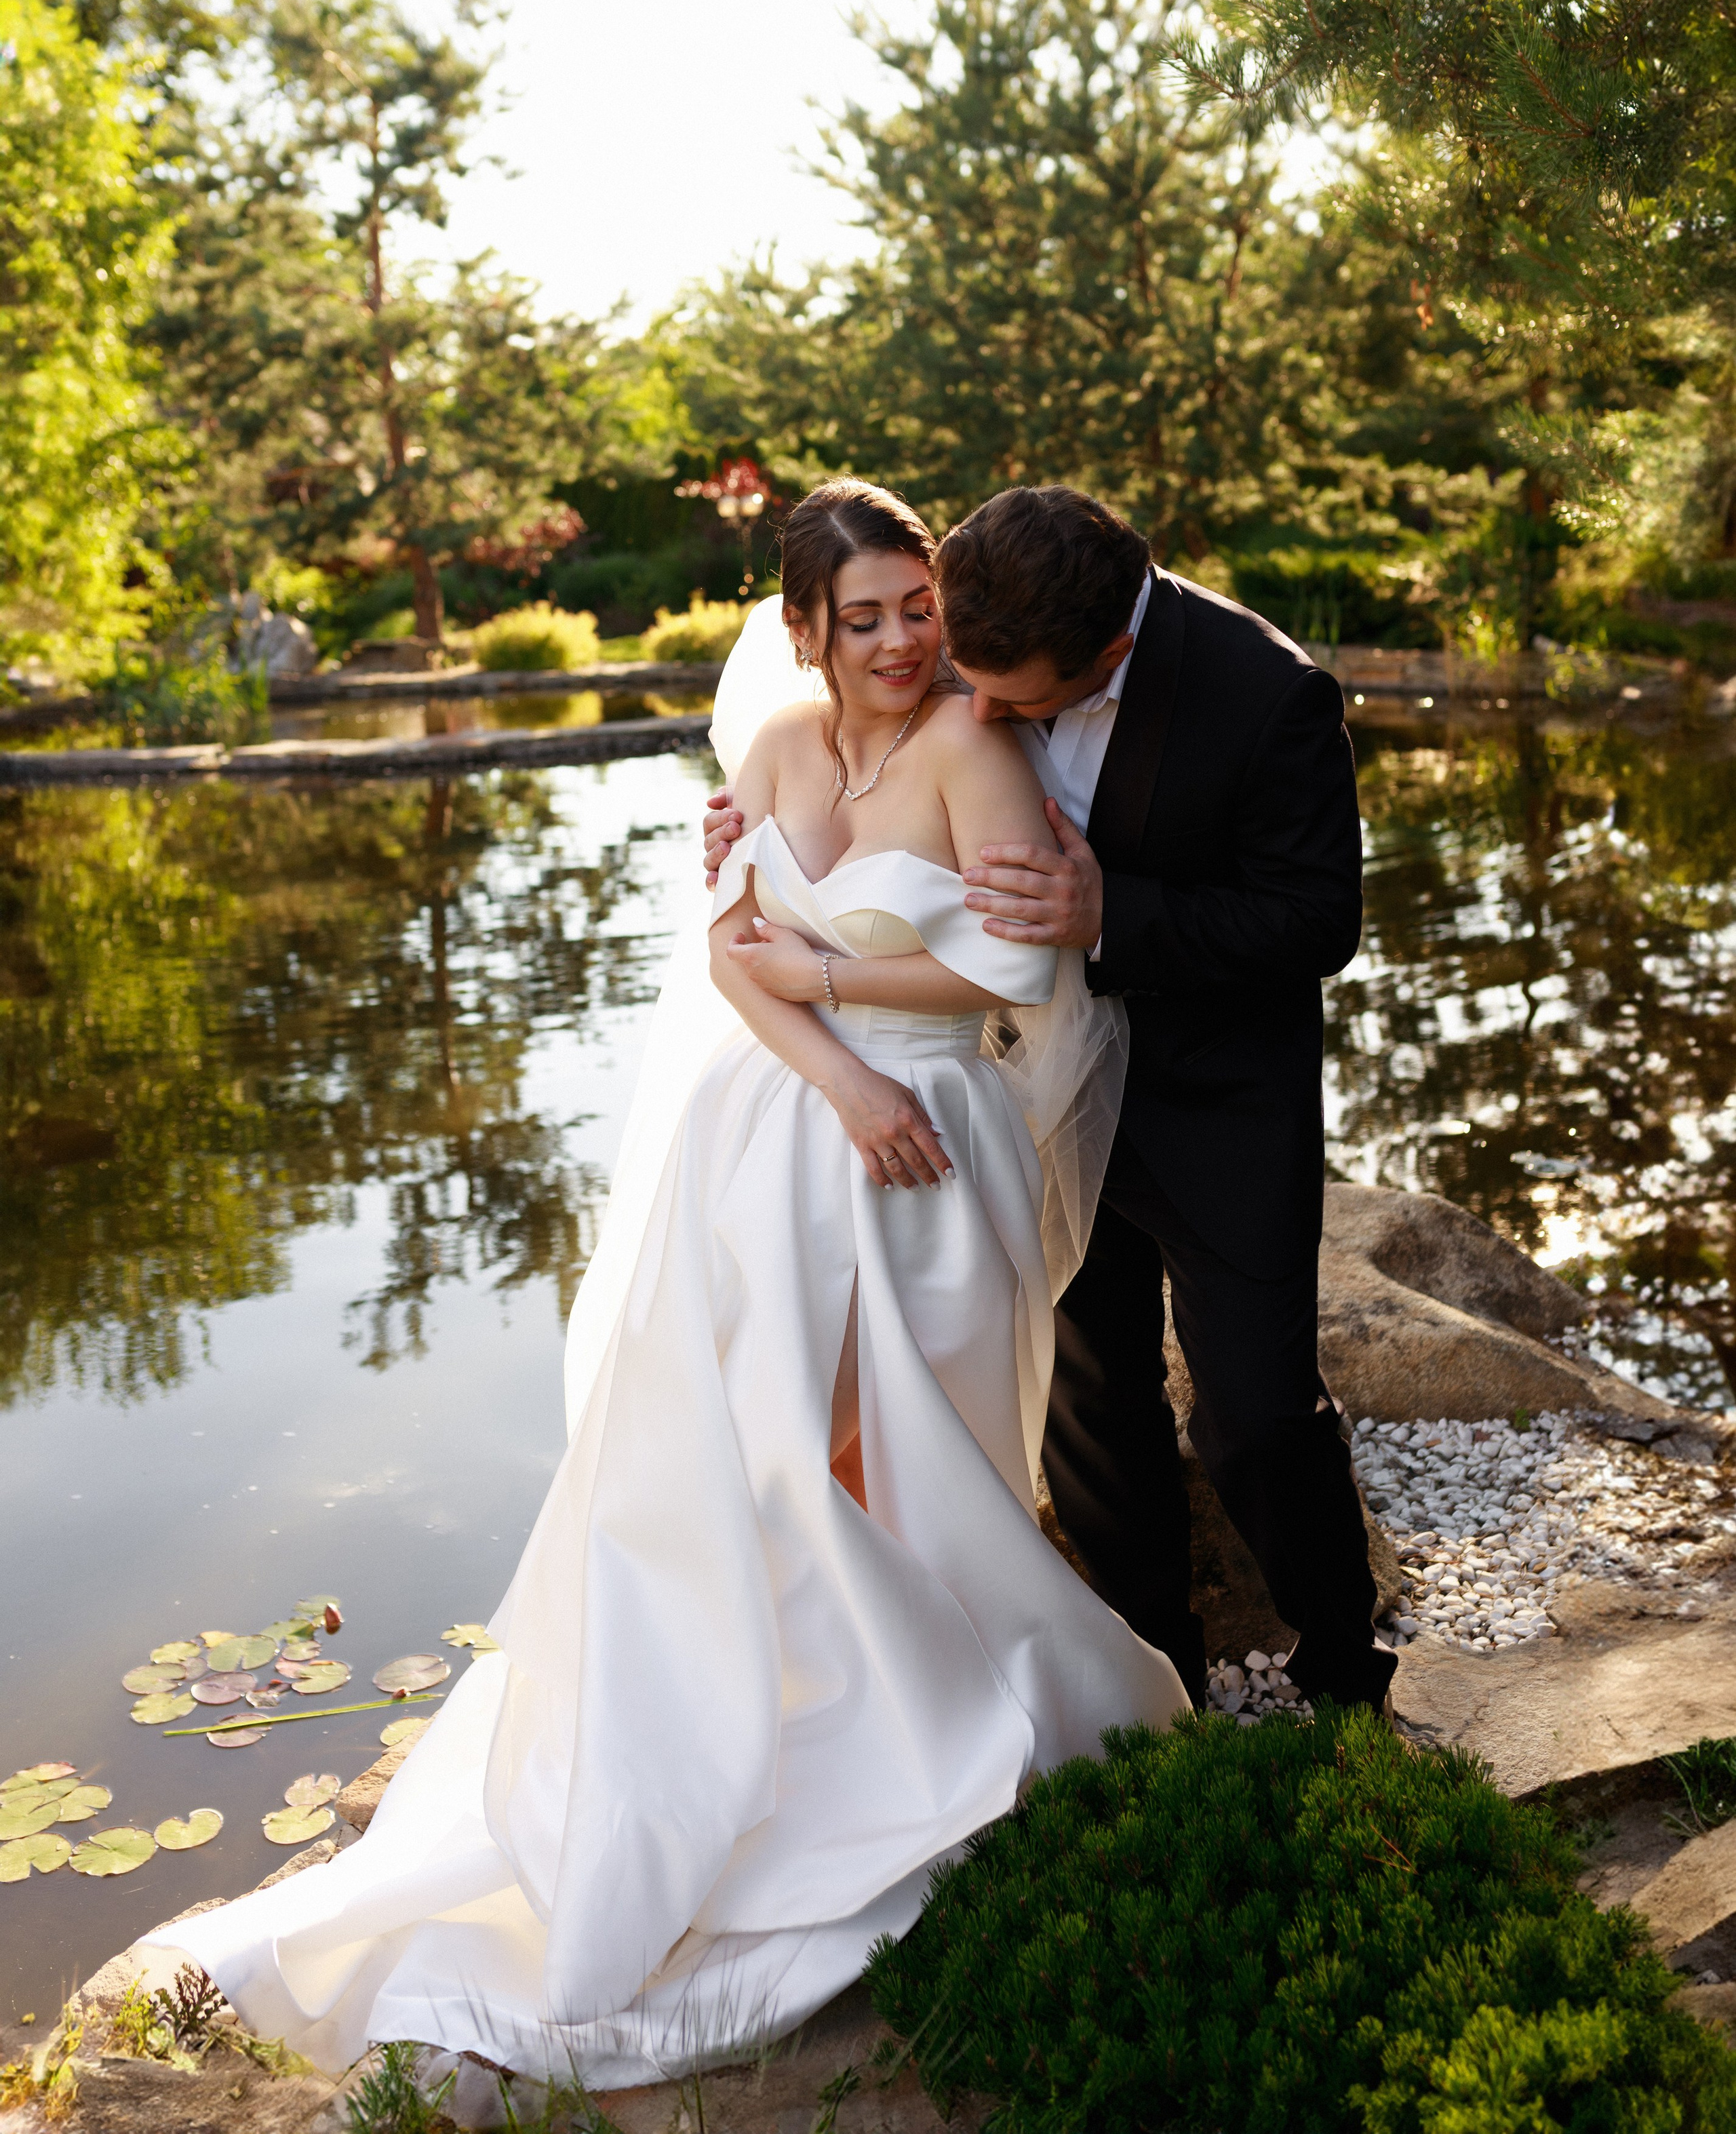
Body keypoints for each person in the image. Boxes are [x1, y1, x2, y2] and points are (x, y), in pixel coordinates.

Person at [141, 481, 1186, 2094]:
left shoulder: (978, 750)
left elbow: (1007, 968)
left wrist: (837, 1006)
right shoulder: (771, 752)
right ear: (802, 631)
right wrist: (831, 1075)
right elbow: (724, 951)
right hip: (776, 1140)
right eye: (867, 616)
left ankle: (926, 1730)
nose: (904, 638)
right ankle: (766, 1723)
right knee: (756, 1462)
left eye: (919, 606)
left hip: (923, 1149)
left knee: (900, 1463)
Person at [707, 483, 1393, 1718]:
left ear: (1106, 656)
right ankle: (1149, 1673)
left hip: (1208, 1105)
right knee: (1091, 1402)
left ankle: (1345, 1667)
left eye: (1005, 696)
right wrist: (762, 841)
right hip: (1020, 1094)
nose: (959, 693)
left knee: (1252, 1409)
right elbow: (873, 647)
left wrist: (1108, 916)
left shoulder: (1267, 695)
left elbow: (1317, 922)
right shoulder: (997, 594)